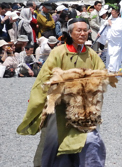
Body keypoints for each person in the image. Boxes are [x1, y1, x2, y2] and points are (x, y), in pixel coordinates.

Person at [17, 19, 106, 166]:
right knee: (54, 143)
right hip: (59, 108)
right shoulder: (58, 53)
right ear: (70, 33)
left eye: (85, 30)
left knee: (90, 141)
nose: (83, 33)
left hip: (83, 110)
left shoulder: (91, 54)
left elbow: (101, 75)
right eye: (79, 30)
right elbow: (45, 77)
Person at [105, 8, 122, 73]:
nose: (112, 12)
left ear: (117, 12)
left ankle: (114, 69)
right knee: (109, 54)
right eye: (112, 11)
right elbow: (104, 27)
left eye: (114, 11)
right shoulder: (109, 19)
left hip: (117, 41)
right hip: (111, 41)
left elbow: (119, 30)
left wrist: (111, 25)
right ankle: (109, 68)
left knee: (115, 54)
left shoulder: (121, 20)